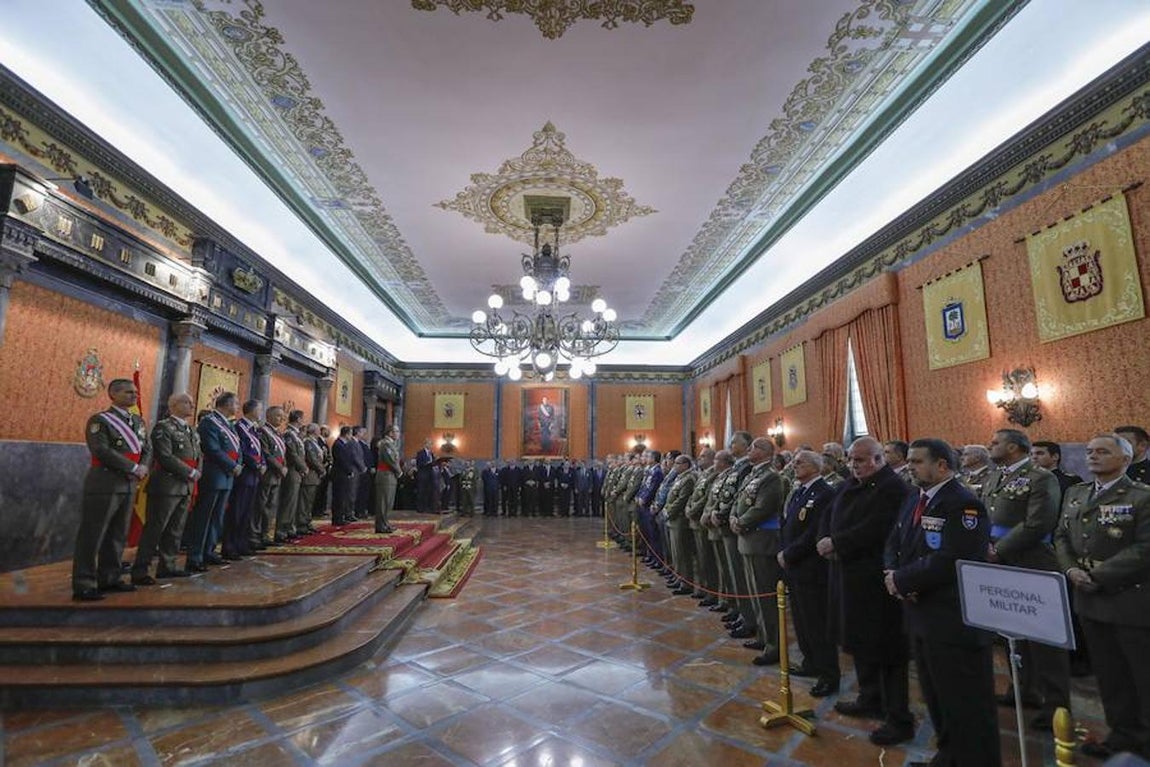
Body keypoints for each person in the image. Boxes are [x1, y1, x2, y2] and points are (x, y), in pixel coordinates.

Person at [884, 438, 999, 767]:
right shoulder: (914, 498)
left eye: (917, 461)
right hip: (920, 612)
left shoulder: (964, 505)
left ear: (942, 466)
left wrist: (904, 580)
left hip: (951, 617)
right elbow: (895, 539)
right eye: (909, 461)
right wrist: (894, 572)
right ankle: (948, 756)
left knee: (963, 699)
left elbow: (952, 557)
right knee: (936, 695)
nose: (910, 466)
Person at [1056, 433, 1150, 760]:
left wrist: (1097, 575)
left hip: (1128, 600)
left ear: (1125, 459)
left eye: (1102, 452)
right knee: (1109, 676)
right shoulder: (1076, 493)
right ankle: (1121, 736)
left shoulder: (1141, 496)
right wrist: (1070, 571)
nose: (1093, 456)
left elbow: (1145, 547)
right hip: (1087, 597)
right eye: (1090, 451)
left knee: (1140, 676)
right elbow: (1062, 537)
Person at [818, 436, 914, 746]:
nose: (853, 466)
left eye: (859, 461)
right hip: (847, 575)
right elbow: (829, 514)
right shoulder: (851, 483)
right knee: (859, 641)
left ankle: (898, 717)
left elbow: (878, 527)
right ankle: (869, 697)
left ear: (878, 459)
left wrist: (839, 543)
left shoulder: (893, 489)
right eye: (850, 460)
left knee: (886, 649)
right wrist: (826, 540)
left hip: (875, 580)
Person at [983, 428, 1069, 729]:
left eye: (995, 442)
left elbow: (1038, 522)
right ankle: (1023, 690)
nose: (989, 445)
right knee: (1013, 630)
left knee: (1044, 638)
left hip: (1032, 561)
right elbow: (986, 515)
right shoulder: (996, 476)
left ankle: (1056, 704)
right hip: (999, 560)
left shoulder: (1040, 477)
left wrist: (999, 549)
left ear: (1014, 446)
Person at [72, 378, 152, 600]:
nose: (134, 396)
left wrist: (143, 466)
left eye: (135, 392)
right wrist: (133, 467)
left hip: (129, 483)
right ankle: (84, 583)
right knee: (92, 534)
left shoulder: (138, 421)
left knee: (118, 534)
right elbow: (101, 450)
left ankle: (110, 577)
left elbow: (147, 448)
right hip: (105, 483)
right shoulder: (100, 420)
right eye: (128, 392)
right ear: (113, 394)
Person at [778, 449, 839, 696]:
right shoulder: (800, 491)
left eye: (800, 462)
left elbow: (815, 531)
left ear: (816, 466)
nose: (795, 465)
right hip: (794, 565)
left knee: (817, 622)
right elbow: (788, 524)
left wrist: (789, 553)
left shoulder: (825, 493)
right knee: (801, 620)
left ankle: (828, 674)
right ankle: (810, 661)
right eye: (794, 462)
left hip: (812, 567)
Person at [731, 437, 788, 666]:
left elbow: (763, 507)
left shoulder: (772, 477)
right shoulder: (753, 474)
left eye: (754, 447)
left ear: (765, 452)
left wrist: (741, 522)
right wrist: (734, 517)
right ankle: (763, 636)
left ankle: (774, 645)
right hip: (748, 540)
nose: (749, 450)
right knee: (754, 592)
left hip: (762, 540)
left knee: (765, 596)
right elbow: (738, 500)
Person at [132, 392, 199, 585]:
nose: (191, 406)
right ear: (174, 405)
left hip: (185, 485)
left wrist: (196, 472)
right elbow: (165, 456)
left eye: (192, 403)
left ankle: (167, 566)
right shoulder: (164, 428)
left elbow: (198, 455)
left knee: (175, 529)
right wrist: (190, 472)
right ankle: (140, 569)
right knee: (155, 528)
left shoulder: (191, 430)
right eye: (187, 403)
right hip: (167, 485)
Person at [185, 391, 241, 573]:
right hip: (214, 474)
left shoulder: (229, 425)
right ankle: (195, 556)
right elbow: (211, 448)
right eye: (235, 403)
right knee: (204, 516)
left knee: (217, 517)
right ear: (226, 404)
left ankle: (209, 551)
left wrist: (237, 464)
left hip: (227, 476)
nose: (237, 407)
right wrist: (232, 465)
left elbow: (237, 448)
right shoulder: (209, 422)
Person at [222, 399, 265, 560]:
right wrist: (256, 465)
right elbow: (243, 450)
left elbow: (260, 449)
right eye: (259, 409)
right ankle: (230, 545)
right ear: (251, 410)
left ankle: (242, 543)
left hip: (254, 476)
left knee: (247, 511)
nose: (261, 412)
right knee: (237, 511)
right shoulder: (239, 427)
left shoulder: (254, 429)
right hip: (245, 474)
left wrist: (263, 463)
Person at [253, 405, 287, 551]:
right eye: (279, 415)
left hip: (277, 475)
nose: (282, 418)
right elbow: (266, 453)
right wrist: (280, 467)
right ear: (269, 416)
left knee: (271, 506)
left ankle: (266, 535)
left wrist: (283, 466)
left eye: (283, 416)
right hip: (267, 474)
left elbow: (281, 453)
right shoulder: (263, 431)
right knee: (261, 506)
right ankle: (256, 536)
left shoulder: (278, 433)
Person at [274, 410, 308, 544]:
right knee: (288, 502)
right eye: (302, 419)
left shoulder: (296, 435)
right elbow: (293, 454)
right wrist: (303, 467)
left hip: (298, 471)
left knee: (294, 502)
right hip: (293, 471)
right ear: (298, 419)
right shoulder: (289, 434)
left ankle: (290, 528)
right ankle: (281, 531)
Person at [373, 424, 401, 533]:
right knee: (383, 502)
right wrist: (399, 471)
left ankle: (385, 523)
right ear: (390, 433)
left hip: (390, 476)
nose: (398, 434)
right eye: (396, 431)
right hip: (385, 476)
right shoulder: (386, 444)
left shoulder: (391, 444)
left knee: (388, 502)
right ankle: (381, 526)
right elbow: (390, 460)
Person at [415, 439, 435, 514]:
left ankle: (427, 507)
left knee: (428, 492)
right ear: (425, 444)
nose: (431, 445)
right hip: (422, 475)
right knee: (421, 492)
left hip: (430, 475)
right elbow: (419, 464)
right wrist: (427, 463)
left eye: (431, 444)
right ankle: (420, 508)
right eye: (429, 444)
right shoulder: (420, 453)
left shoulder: (431, 454)